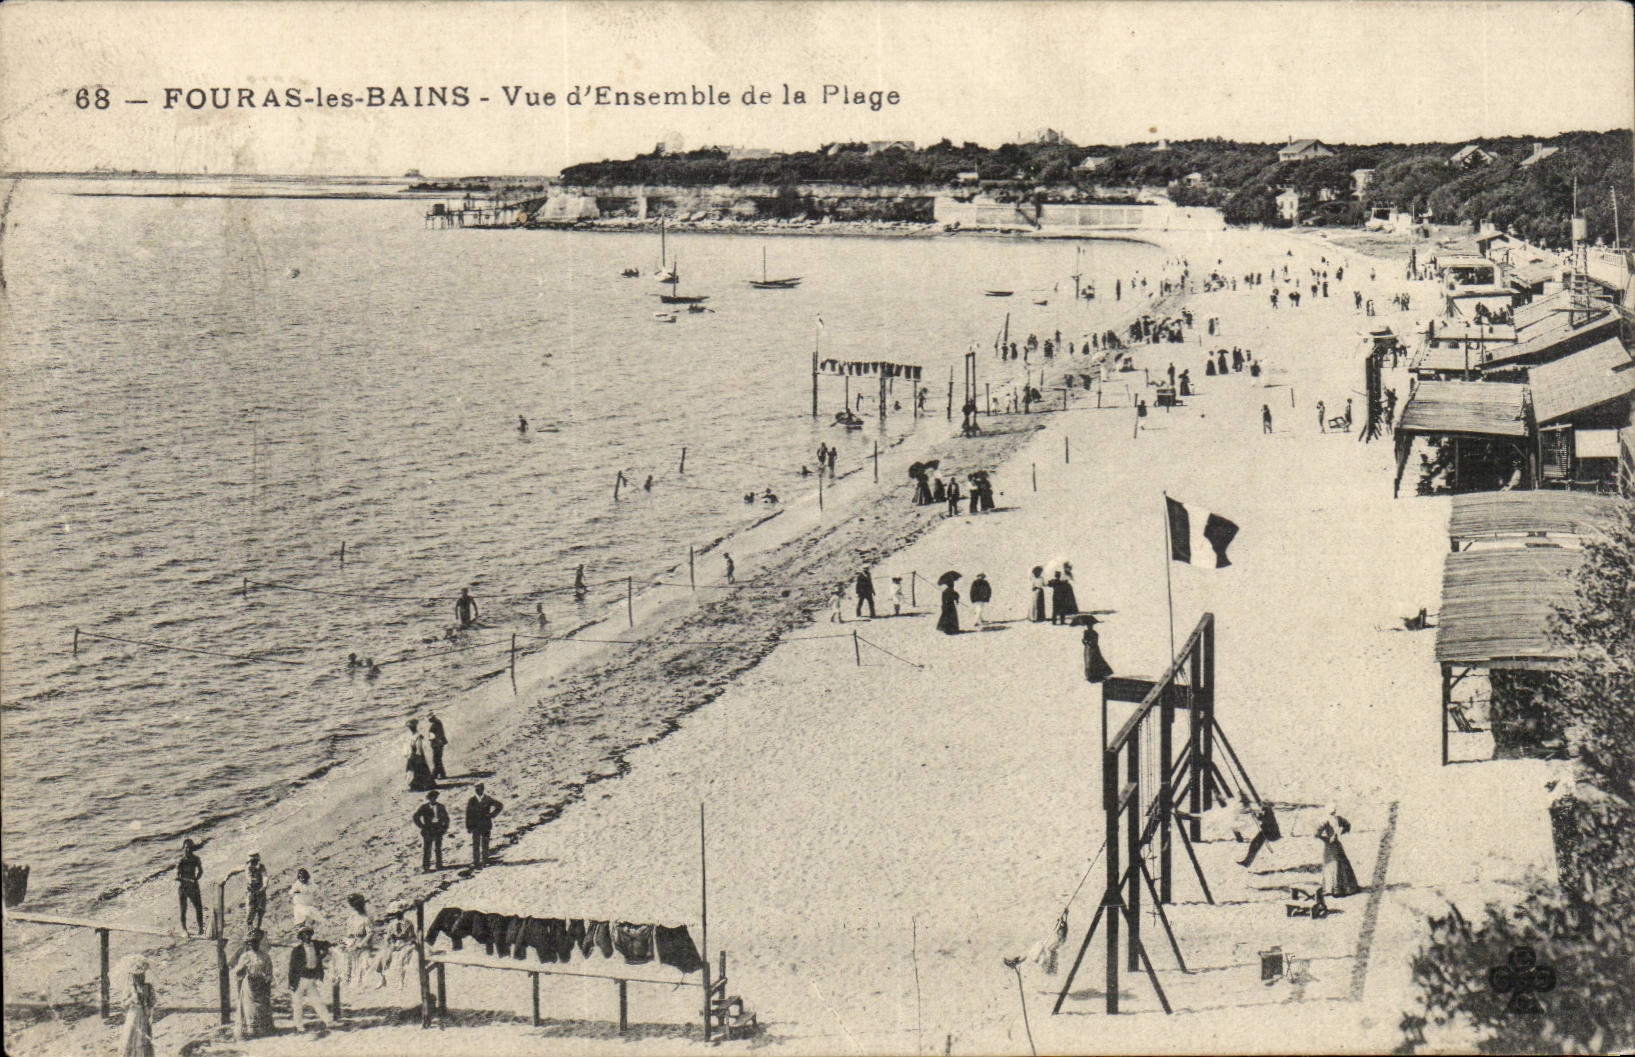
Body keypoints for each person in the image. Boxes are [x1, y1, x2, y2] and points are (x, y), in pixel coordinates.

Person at [287, 926, 333, 1034]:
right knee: (297, 1003)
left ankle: (328, 1021)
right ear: (301, 937)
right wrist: (291, 983)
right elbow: (292, 968)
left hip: (311, 978)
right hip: (299, 979)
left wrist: (323, 953)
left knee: (317, 1000)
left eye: (309, 934)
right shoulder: (297, 950)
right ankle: (299, 1025)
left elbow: (327, 944)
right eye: (304, 935)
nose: (307, 937)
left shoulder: (316, 945)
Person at [232, 929, 275, 1040]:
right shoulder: (245, 956)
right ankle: (250, 1030)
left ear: (259, 943)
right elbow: (237, 972)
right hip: (249, 985)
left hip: (261, 983)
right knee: (249, 1008)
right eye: (251, 943)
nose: (253, 945)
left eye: (256, 942)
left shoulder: (265, 956)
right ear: (248, 944)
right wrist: (242, 968)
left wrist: (267, 979)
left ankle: (263, 1030)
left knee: (262, 1006)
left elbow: (269, 970)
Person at [1317, 806, 1361, 897]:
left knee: (1332, 865)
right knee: (1340, 863)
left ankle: (1334, 889)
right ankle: (1346, 887)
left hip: (1330, 845)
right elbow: (1347, 825)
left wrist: (1326, 839)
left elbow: (1316, 833)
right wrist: (1340, 833)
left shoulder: (1325, 821)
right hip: (1335, 843)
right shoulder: (1338, 819)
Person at [120, 954, 157, 1057]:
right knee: (131, 1038)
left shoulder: (148, 987)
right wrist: (132, 999)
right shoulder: (129, 989)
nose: (140, 978)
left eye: (142, 975)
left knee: (143, 1040)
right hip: (133, 1017)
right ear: (133, 977)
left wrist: (148, 1003)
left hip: (144, 1015)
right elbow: (123, 1004)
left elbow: (152, 1002)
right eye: (137, 976)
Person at [375, 902, 416, 989]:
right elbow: (389, 937)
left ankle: (401, 982)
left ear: (402, 912)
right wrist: (391, 943)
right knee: (383, 957)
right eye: (396, 913)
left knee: (402, 959)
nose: (398, 915)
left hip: (405, 944)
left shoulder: (408, 923)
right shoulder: (392, 924)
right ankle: (382, 980)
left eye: (399, 913)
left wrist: (406, 943)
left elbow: (412, 937)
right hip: (394, 944)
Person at [1235, 794, 1281, 868]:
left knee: (1254, 844)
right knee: (1254, 844)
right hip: (1267, 832)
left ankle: (1247, 862)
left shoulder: (1269, 811)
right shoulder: (1267, 811)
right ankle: (1247, 862)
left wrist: (1258, 817)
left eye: (1264, 804)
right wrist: (1257, 815)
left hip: (1270, 833)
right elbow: (1264, 818)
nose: (1262, 806)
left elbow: (1266, 820)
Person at [339, 893, 374, 987]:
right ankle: (346, 979)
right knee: (346, 958)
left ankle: (360, 982)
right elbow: (349, 931)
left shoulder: (366, 918)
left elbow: (370, 933)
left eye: (356, 905)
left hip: (362, 943)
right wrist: (346, 941)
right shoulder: (352, 917)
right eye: (353, 905)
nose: (354, 907)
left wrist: (361, 944)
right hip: (352, 941)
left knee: (363, 963)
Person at [465, 782, 503, 869]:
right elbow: (468, 814)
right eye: (476, 789)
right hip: (475, 826)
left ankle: (485, 861)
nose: (478, 791)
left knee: (485, 843)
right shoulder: (472, 800)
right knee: (476, 844)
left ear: (483, 789)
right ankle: (476, 862)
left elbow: (499, 806)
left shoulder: (487, 799)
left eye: (479, 789)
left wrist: (492, 815)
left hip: (485, 825)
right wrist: (468, 826)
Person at [413, 789, 449, 873]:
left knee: (438, 848)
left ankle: (439, 865)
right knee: (427, 848)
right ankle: (426, 867)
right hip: (428, 829)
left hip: (438, 828)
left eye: (435, 797)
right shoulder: (424, 807)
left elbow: (446, 818)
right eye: (431, 798)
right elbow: (416, 817)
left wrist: (444, 828)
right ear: (429, 799)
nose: (433, 799)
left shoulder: (440, 806)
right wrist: (422, 826)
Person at [176, 838, 205, 936]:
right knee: (183, 910)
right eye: (186, 848)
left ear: (192, 848)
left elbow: (200, 871)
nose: (188, 850)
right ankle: (184, 929)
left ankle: (201, 928)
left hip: (193, 887)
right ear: (183, 848)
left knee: (198, 907)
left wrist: (196, 878)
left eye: (190, 848)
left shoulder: (196, 859)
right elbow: (177, 876)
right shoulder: (181, 861)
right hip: (183, 888)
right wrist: (187, 880)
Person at [1080, 614, 1113, 683]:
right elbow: (1085, 640)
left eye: (1090, 625)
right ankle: (1091, 675)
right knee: (1089, 661)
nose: (1089, 627)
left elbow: (1095, 641)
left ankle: (1095, 674)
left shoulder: (1094, 633)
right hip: (1088, 648)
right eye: (1088, 626)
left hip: (1093, 648)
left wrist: (1089, 642)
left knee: (1094, 660)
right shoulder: (1086, 632)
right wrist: (1084, 642)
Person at [404, 720, 434, 791]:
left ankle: (420, 786)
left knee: (419, 770)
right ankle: (420, 785)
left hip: (417, 756)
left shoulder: (417, 736)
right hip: (414, 755)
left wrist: (415, 756)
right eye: (409, 728)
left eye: (411, 727)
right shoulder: (412, 735)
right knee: (415, 770)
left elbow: (419, 748)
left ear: (414, 728)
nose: (410, 729)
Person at [244, 852, 268, 933]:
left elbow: (265, 876)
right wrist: (225, 878)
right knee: (250, 910)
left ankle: (257, 928)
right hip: (250, 892)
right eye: (251, 861)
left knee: (260, 910)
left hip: (260, 891)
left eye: (254, 861)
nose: (252, 863)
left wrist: (264, 885)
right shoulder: (246, 867)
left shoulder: (261, 867)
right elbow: (233, 871)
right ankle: (249, 928)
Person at [289, 867, 320, 931]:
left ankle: (308, 927)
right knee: (301, 915)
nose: (303, 879)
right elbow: (291, 892)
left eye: (304, 878)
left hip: (308, 903)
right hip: (300, 904)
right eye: (301, 878)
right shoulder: (297, 884)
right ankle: (301, 927)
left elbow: (316, 891)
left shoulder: (310, 884)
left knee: (309, 915)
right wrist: (295, 891)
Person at [425, 712, 449, 780]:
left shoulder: (436, 723)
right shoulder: (437, 722)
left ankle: (436, 774)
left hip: (437, 744)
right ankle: (440, 774)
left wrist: (435, 741)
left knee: (436, 759)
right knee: (437, 759)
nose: (428, 720)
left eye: (429, 719)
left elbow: (438, 735)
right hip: (437, 743)